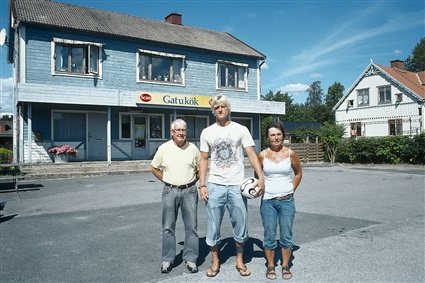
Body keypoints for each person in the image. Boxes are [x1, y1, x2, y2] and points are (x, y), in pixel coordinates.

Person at [198, 94, 265, 278]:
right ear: (214, 111)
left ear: (228, 109)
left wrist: (261, 177)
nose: (220, 110)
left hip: (237, 185)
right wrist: (202, 184)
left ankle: (240, 261)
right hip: (215, 185)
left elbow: (251, 154)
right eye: (217, 107)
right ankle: (215, 261)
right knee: (212, 225)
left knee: (241, 224)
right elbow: (203, 160)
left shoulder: (241, 129)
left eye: (223, 107)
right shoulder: (207, 132)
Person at [151, 119, 201, 274]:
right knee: (168, 227)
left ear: (186, 131)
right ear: (171, 132)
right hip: (170, 191)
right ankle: (168, 259)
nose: (181, 133)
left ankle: (191, 259)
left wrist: (193, 182)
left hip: (189, 191)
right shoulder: (164, 148)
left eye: (183, 130)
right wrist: (166, 180)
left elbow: (201, 168)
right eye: (177, 130)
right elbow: (154, 168)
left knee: (191, 227)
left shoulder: (193, 148)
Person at [256, 121, 302, 280]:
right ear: (268, 137)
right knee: (269, 234)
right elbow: (258, 178)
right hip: (268, 202)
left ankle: (285, 265)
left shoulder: (291, 154)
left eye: (278, 134)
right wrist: (259, 188)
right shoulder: (262, 155)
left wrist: (291, 189)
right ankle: (270, 266)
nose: (276, 137)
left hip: (287, 201)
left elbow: (298, 174)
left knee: (286, 234)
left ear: (283, 135)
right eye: (272, 135)